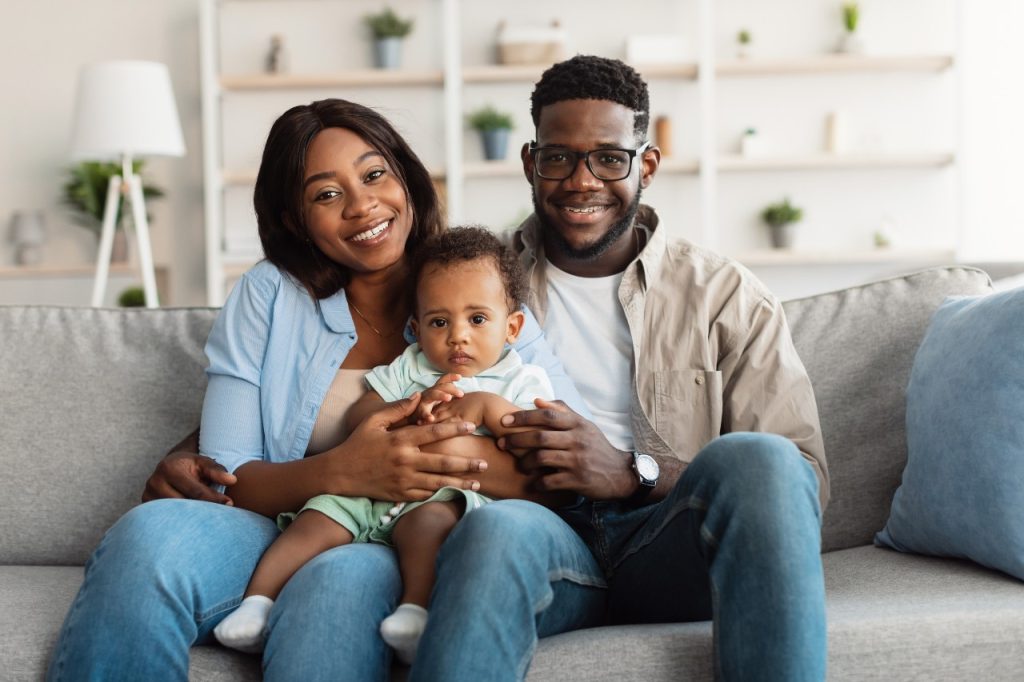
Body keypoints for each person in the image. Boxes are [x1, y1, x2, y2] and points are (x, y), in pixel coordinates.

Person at [122, 55, 831, 681]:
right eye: (558, 157)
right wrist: (196, 450)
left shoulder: (724, 295)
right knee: (499, 530)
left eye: (609, 158)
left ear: (644, 164)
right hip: (536, 534)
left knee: (763, 459)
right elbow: (341, 387)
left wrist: (632, 471)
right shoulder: (464, 276)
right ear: (530, 163)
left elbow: (801, 486)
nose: (582, 180)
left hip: (658, 533)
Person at [46, 99, 596, 682]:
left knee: (340, 583)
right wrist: (345, 472)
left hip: (439, 528)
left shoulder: (479, 289)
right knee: (145, 537)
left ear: (406, 178)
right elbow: (230, 465)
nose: (362, 205)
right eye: (326, 194)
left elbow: (569, 464)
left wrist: (439, 461)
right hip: (300, 517)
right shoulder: (269, 295)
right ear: (294, 219)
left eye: (375, 174)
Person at [213, 226, 559, 664]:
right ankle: (257, 604)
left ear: (512, 327)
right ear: (415, 328)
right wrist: (410, 406)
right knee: (315, 518)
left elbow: (532, 445)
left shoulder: (522, 379)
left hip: (437, 496)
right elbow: (362, 415)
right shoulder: (410, 365)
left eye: (477, 319)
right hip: (368, 488)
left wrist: (486, 406)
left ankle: (415, 610)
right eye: (439, 321)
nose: (457, 336)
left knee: (429, 525)